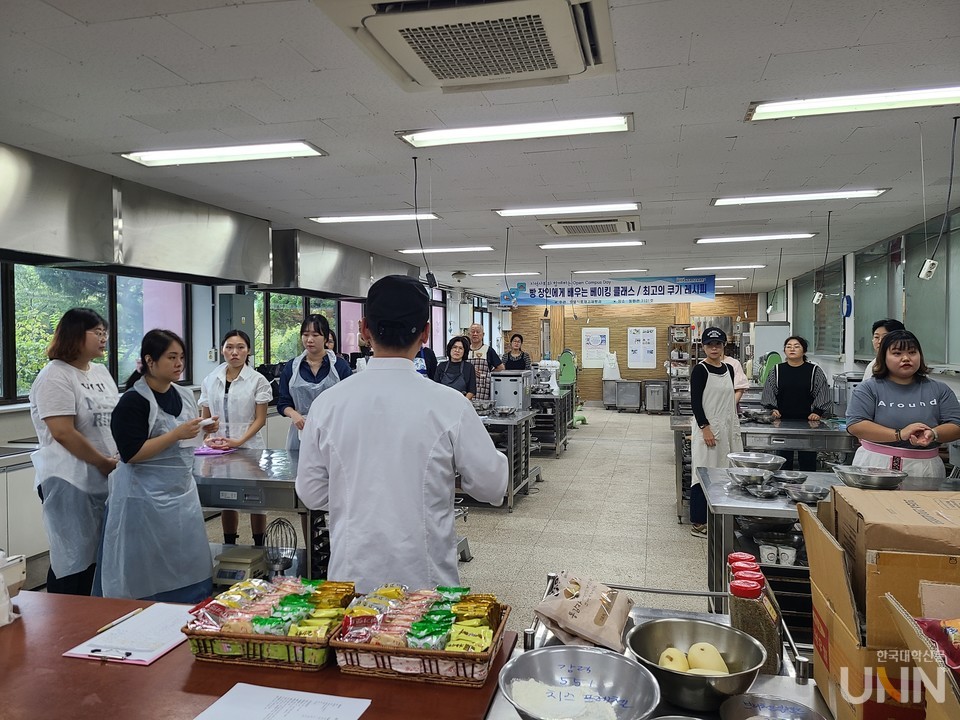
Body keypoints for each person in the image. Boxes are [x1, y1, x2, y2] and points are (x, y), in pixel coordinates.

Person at [296, 275, 508, 593]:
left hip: (352, 581)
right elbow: (493, 486)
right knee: (421, 643)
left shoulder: (328, 404)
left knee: (357, 642)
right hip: (425, 583)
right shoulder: (449, 406)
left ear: (365, 330)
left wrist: (356, 494)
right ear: (425, 333)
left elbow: (311, 493)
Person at [100, 329, 214, 603]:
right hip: (143, 499)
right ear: (150, 361)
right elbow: (131, 453)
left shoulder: (184, 395)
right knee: (145, 571)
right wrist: (176, 434)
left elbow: (185, 442)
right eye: (171, 357)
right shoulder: (133, 402)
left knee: (186, 561)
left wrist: (203, 429)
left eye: (182, 357)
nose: (179, 363)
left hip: (180, 493)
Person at [28, 309, 119, 595]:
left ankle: (92, 619)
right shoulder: (54, 376)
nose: (104, 338)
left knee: (98, 555)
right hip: (68, 480)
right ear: (75, 335)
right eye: (98, 333)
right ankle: (63, 622)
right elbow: (63, 431)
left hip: (103, 474)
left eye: (105, 332)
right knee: (73, 558)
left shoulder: (100, 372)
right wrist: (102, 461)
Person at [846, 330, 960, 476]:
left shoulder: (938, 389)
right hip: (875, 464)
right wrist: (899, 434)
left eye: (912, 352)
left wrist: (933, 433)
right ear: (883, 357)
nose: (906, 358)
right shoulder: (869, 388)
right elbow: (855, 425)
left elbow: (956, 424)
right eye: (897, 353)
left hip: (925, 468)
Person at [200, 329, 274, 546]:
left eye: (240, 347)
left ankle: (259, 544)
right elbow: (205, 417)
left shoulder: (257, 380)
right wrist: (208, 436)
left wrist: (239, 441)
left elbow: (260, 420)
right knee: (227, 496)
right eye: (229, 347)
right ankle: (229, 544)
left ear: (248, 351)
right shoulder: (210, 379)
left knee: (255, 497)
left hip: (249, 446)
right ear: (222, 350)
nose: (235, 352)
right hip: (220, 447)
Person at [689, 327, 743, 538]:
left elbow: (730, 401)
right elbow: (695, 403)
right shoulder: (700, 370)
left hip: (727, 428)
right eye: (710, 344)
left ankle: (719, 517)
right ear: (703, 347)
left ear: (723, 347)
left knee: (723, 471)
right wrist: (705, 428)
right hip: (708, 430)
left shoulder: (729, 369)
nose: (714, 348)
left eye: (718, 344)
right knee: (702, 472)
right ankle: (699, 522)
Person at [277, 314, 352, 450]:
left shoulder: (340, 367)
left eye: (315, 335)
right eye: (305, 335)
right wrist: (294, 414)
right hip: (301, 431)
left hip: (333, 432)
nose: (309, 340)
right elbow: (283, 403)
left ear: (325, 338)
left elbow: (350, 402)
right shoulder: (291, 367)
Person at [761, 335, 831, 471]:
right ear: (784, 351)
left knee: (808, 461)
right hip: (781, 423)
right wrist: (772, 409)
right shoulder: (776, 370)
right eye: (788, 346)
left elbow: (822, 392)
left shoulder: (814, 371)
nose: (792, 349)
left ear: (804, 351)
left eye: (796, 346)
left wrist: (817, 412)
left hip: (809, 424)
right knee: (783, 461)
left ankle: (807, 488)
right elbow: (769, 392)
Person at [466, 323, 504, 401]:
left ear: (483, 334)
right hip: (466, 389)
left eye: (478, 332)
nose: (475, 334)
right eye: (473, 332)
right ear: (469, 334)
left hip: (482, 388)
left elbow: (501, 368)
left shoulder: (488, 350)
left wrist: (488, 374)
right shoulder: (464, 350)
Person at [434, 335, 477, 400]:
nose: (457, 350)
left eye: (460, 348)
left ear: (464, 351)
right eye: (454, 347)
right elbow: (435, 387)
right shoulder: (441, 366)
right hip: (442, 402)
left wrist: (463, 402)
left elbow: (472, 391)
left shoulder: (469, 367)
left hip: (462, 403)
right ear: (450, 349)